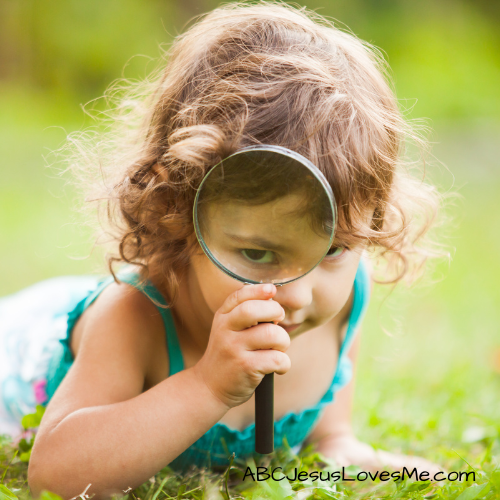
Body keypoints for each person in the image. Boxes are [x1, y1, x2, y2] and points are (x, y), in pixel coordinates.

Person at [0, 2, 443, 497]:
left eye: (333, 248)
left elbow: (328, 443)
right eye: (257, 253)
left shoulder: (343, 302)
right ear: (175, 211)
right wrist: (205, 387)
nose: (297, 294)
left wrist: (355, 453)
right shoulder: (134, 317)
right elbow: (53, 477)